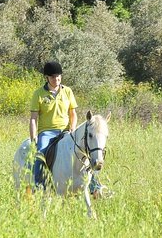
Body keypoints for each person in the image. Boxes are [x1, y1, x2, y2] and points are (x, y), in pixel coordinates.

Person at [29, 61, 106, 196]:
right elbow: (33, 118)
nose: (56, 79)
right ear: (46, 78)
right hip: (46, 132)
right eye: (53, 77)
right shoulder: (38, 94)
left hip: (65, 131)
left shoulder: (68, 91)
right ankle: (39, 185)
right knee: (40, 154)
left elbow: (73, 113)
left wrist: (72, 128)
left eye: (58, 76)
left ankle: (95, 186)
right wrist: (33, 137)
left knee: (87, 151)